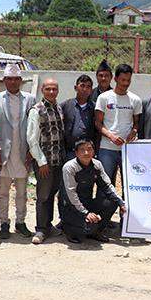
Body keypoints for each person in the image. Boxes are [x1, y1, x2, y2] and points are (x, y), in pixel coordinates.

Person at [0, 64, 36, 239]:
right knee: (2, 192)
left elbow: (34, 127)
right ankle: (3, 223)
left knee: (22, 192)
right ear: (4, 81)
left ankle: (20, 222)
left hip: (23, 151)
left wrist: (32, 150)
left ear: (21, 81)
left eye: (16, 79)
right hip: (4, 153)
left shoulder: (30, 99)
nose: (13, 82)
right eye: (9, 79)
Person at [62, 139, 126, 243]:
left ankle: (97, 231)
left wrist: (121, 203)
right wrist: (85, 213)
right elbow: (71, 195)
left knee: (111, 202)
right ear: (76, 153)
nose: (86, 153)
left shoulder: (97, 165)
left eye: (89, 149)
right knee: (88, 228)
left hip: (88, 203)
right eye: (82, 150)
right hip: (72, 208)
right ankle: (69, 230)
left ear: (94, 151)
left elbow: (107, 186)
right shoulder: (69, 167)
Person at [27, 78, 66, 245]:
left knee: (52, 193)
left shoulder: (58, 108)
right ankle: (41, 229)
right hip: (44, 162)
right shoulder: (36, 110)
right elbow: (31, 139)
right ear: (42, 90)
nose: (51, 92)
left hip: (59, 160)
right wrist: (41, 161)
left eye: (54, 89)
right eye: (48, 89)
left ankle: (48, 225)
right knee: (43, 196)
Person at [95, 63, 142, 193]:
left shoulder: (135, 100)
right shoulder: (104, 98)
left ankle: (126, 212)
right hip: (107, 149)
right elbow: (98, 123)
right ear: (115, 79)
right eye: (123, 80)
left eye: (128, 80)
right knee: (106, 184)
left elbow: (137, 123)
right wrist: (110, 136)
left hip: (128, 149)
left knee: (129, 185)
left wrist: (134, 131)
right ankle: (104, 212)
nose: (125, 83)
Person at [59, 74, 96, 223]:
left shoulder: (94, 108)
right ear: (76, 87)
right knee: (66, 188)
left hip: (87, 155)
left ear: (91, 90)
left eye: (88, 87)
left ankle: (82, 219)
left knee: (85, 188)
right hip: (69, 153)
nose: (85, 89)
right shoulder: (65, 106)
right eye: (82, 86)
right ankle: (64, 220)